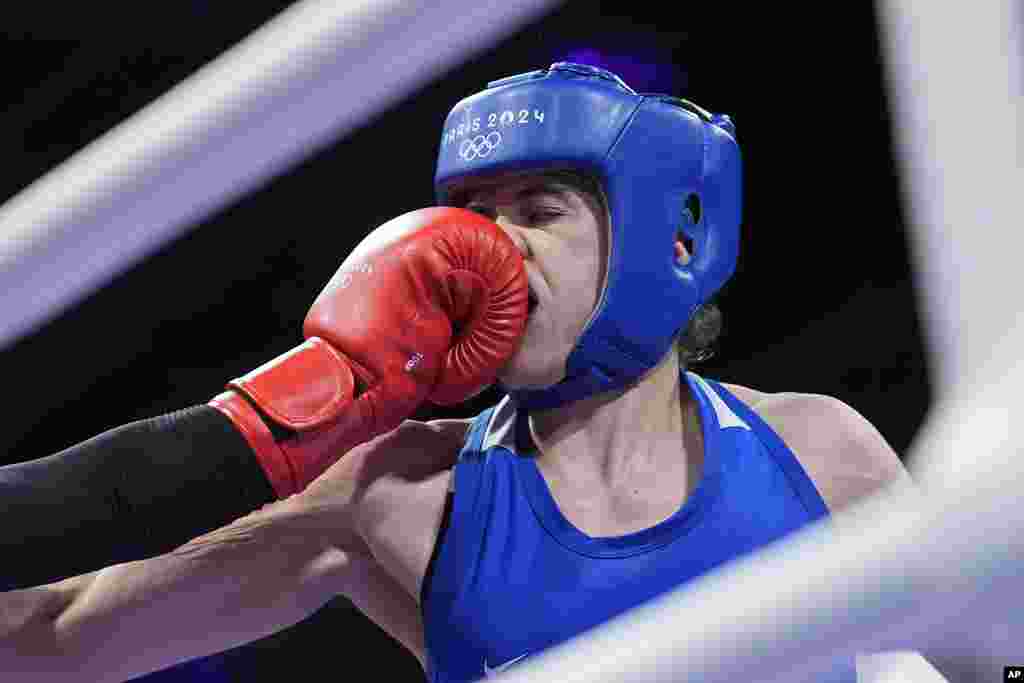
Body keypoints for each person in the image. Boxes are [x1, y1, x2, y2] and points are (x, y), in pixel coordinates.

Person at [0, 63, 912, 683]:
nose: (482, 248)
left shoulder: (820, 453)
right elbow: (58, 632)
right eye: (471, 211)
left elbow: (992, 637)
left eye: (537, 211)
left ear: (669, 242)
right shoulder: (404, 490)